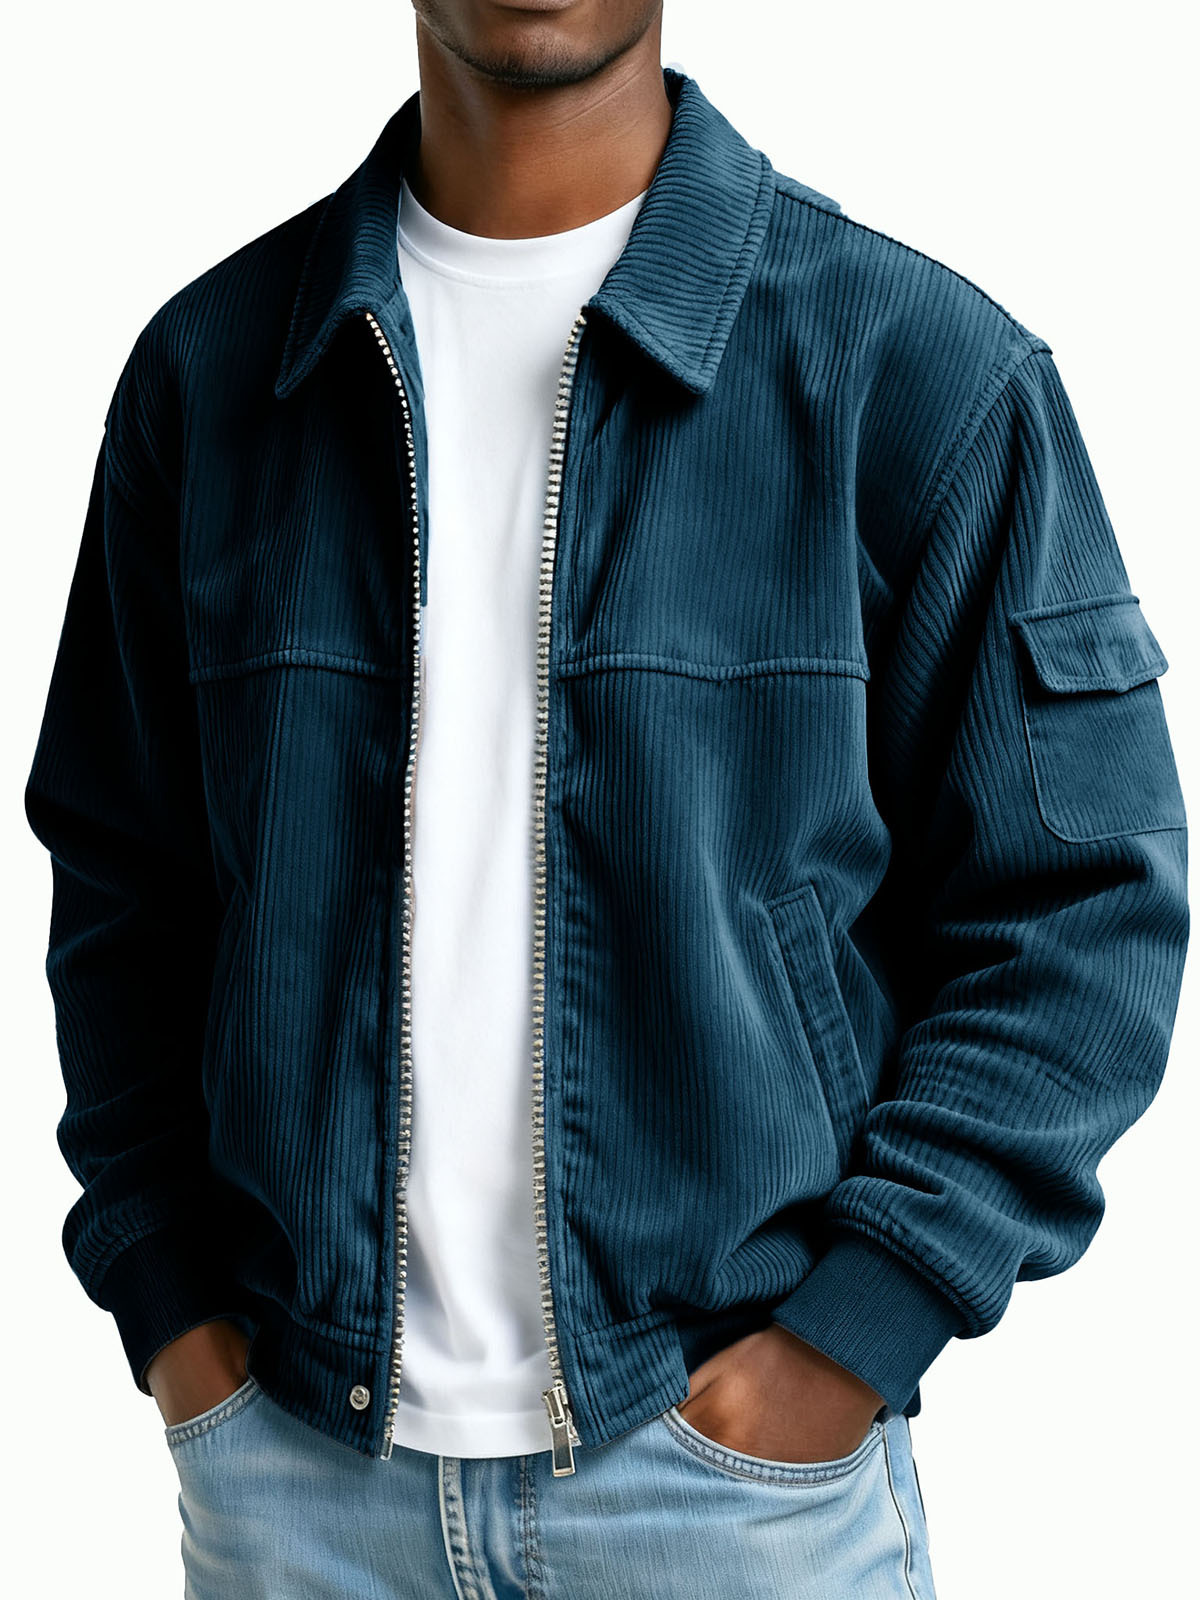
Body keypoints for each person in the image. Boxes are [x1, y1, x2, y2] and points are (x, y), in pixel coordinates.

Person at [24, 3, 1189, 1597]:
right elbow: (124, 889)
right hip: (297, 1485)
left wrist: (854, 1331)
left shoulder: (911, 367)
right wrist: (172, 1310)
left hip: (729, 1493)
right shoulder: (214, 374)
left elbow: (1085, 906)